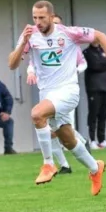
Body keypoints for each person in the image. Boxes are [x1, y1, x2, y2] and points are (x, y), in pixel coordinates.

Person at [8, 1, 106, 189]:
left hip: (68, 91)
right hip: (48, 95)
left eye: (42, 18)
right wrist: (23, 44)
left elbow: (100, 36)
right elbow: (12, 64)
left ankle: (48, 164)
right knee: (67, 140)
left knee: (37, 114)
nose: (38, 22)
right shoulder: (30, 35)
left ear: (51, 17)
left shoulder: (68, 33)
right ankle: (95, 168)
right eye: (35, 17)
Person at [26, 13, 89, 174]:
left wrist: (73, 72)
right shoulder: (38, 41)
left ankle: (53, 161)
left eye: (56, 23)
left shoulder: (69, 41)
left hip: (66, 91)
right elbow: (31, 62)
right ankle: (66, 165)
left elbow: (83, 63)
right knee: (54, 130)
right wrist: (30, 72)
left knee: (59, 129)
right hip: (48, 91)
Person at [83, 39, 106, 149]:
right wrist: (104, 63)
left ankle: (102, 139)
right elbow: (94, 65)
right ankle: (92, 140)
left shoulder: (104, 51)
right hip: (94, 88)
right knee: (93, 114)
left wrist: (104, 63)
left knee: (103, 114)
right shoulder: (87, 52)